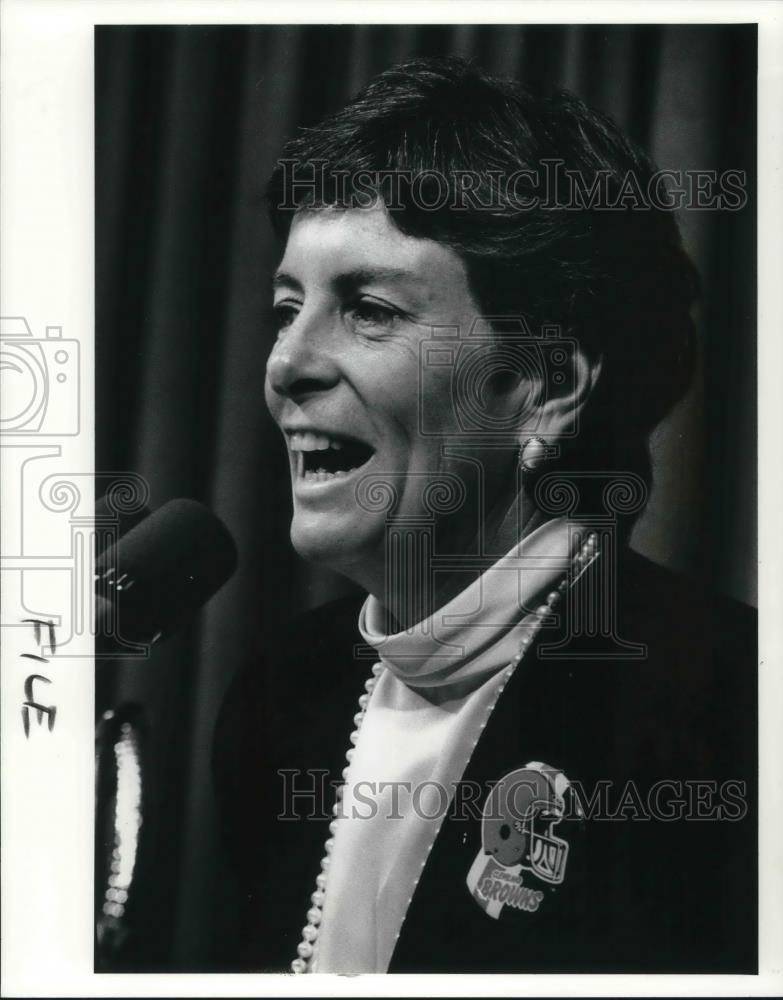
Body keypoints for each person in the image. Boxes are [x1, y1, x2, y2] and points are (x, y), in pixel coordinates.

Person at [213, 57, 756, 974]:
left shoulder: (728, 710)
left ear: (546, 385)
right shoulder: (278, 695)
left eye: (370, 310)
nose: (286, 365)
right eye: (285, 309)